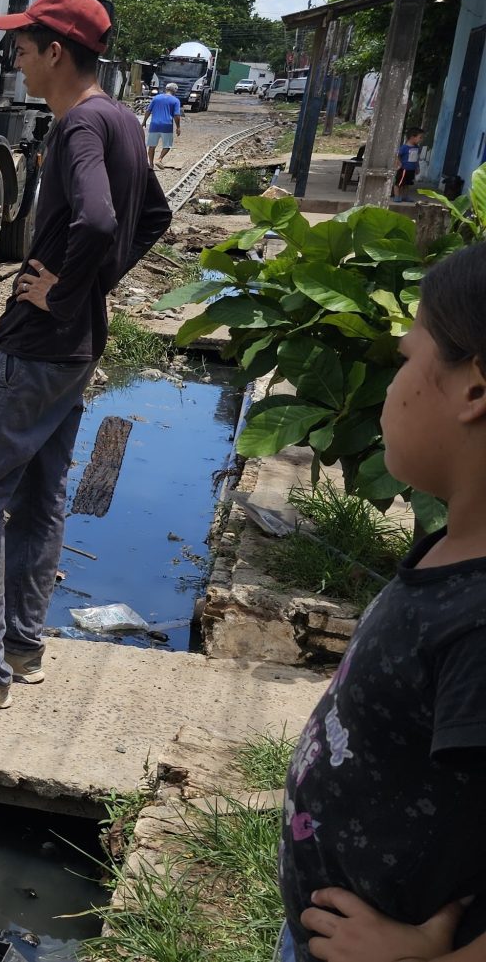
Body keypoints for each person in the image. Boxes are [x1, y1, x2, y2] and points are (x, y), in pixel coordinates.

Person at [0, 0, 171, 710]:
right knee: (40, 496)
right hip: (73, 348)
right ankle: (20, 643)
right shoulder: (122, 120)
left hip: (39, 345)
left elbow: (101, 220)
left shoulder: (79, 126)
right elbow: (156, 214)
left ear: (56, 51)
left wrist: (64, 292)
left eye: (23, 47)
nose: (15, 58)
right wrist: (93, 291)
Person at [275, 240, 486, 962]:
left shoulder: (479, 626)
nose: (392, 384)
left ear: (475, 389)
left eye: (405, 357)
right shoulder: (454, 548)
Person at [145, 80, 182, 169]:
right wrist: (178, 127)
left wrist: (144, 121)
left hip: (154, 125)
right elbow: (176, 115)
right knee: (167, 145)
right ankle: (159, 159)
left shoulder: (156, 98)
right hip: (167, 125)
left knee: (152, 146)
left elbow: (148, 110)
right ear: (175, 91)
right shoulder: (175, 101)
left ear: (166, 89)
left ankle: (151, 165)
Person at [394, 127, 425, 203]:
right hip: (404, 169)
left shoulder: (417, 147)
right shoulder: (404, 147)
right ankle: (397, 196)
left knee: (407, 184)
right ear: (412, 137)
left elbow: (416, 158)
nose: (421, 139)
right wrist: (398, 162)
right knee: (399, 184)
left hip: (411, 169)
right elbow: (397, 155)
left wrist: (417, 167)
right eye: (420, 137)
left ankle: (405, 196)